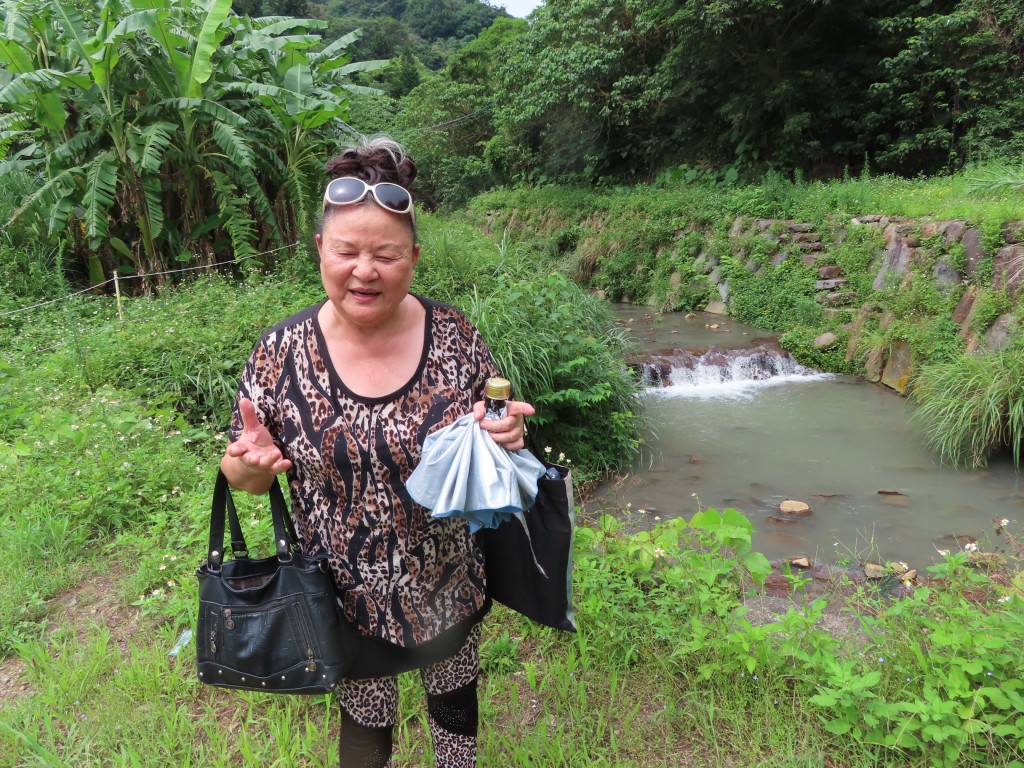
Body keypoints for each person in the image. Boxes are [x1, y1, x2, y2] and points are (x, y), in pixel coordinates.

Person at [220, 136, 534, 768]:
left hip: (446, 577)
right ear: (319, 252)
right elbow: (243, 475)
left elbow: (493, 437)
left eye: (386, 254)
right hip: (341, 590)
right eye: (347, 251)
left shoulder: (456, 336)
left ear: (413, 258)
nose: (365, 270)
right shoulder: (279, 353)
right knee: (365, 726)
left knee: (454, 707)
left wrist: (506, 439)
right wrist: (245, 467)